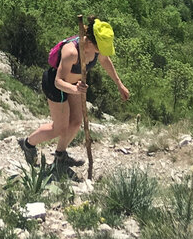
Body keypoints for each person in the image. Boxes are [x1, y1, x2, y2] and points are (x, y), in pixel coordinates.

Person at [17, 17, 129, 174]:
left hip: (76, 87)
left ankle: (60, 155)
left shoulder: (96, 49)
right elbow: (58, 81)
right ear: (91, 42)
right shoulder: (71, 52)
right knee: (58, 128)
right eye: (100, 47)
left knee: (76, 122)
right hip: (57, 87)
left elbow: (105, 60)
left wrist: (119, 84)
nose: (102, 51)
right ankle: (28, 144)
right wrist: (75, 90)